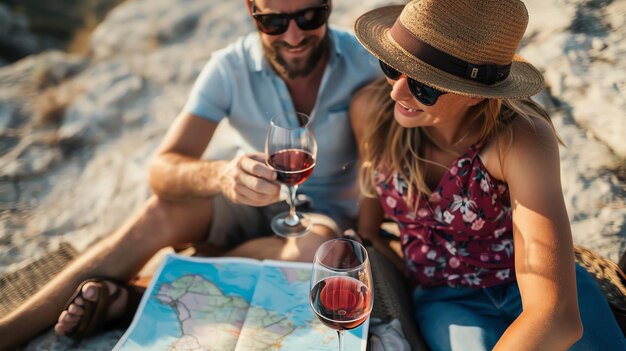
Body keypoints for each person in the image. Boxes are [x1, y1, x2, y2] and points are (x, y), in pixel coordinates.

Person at [0, 0, 379, 348]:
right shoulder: (229, 68)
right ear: (252, 11)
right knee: (160, 211)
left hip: (321, 219)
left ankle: (138, 295)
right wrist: (221, 176)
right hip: (248, 201)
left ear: (328, 7)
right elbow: (162, 169)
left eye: (309, 17)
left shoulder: (363, 61)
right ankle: (11, 329)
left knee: (312, 253)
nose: (293, 36)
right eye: (274, 21)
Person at [349, 0, 626, 350]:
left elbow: (555, 316)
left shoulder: (519, 139)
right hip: (447, 300)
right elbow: (368, 231)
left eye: (425, 86)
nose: (396, 91)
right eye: (392, 65)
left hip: (530, 287)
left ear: (476, 96)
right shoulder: (372, 113)